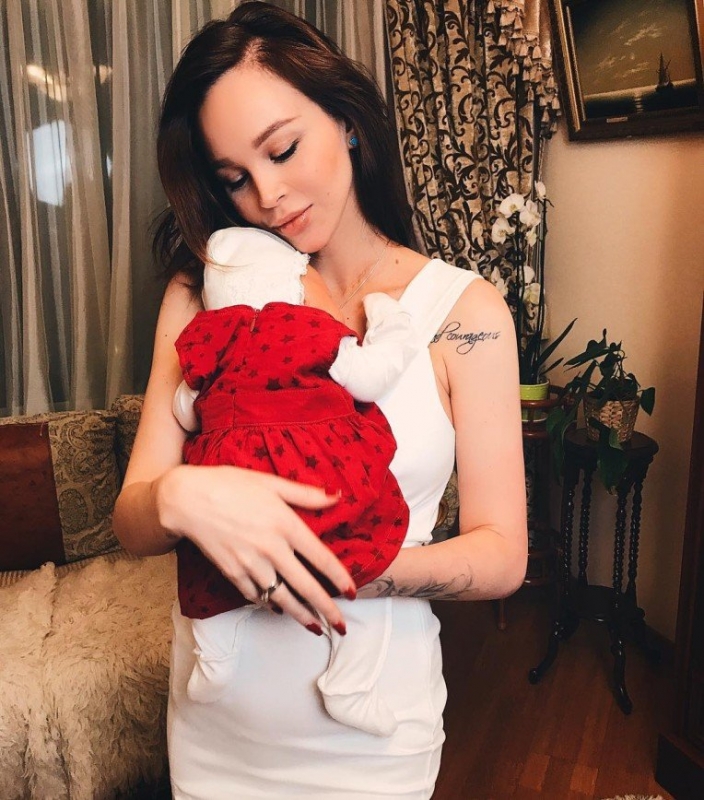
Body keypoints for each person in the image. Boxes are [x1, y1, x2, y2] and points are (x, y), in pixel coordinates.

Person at [112, 2, 528, 798]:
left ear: (345, 119)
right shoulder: (202, 295)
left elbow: (503, 554)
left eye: (282, 150)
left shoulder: (462, 314)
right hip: (215, 735)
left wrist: (335, 568)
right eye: (234, 178)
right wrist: (175, 496)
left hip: (374, 744)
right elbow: (132, 520)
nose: (266, 195)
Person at [172, 225, 420, 737]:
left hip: (235, 490)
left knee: (208, 566)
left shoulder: (212, 339)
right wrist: (389, 321)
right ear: (295, 281)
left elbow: (185, 409)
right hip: (310, 478)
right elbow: (371, 376)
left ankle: (215, 659)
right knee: (360, 561)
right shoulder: (308, 327)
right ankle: (349, 683)